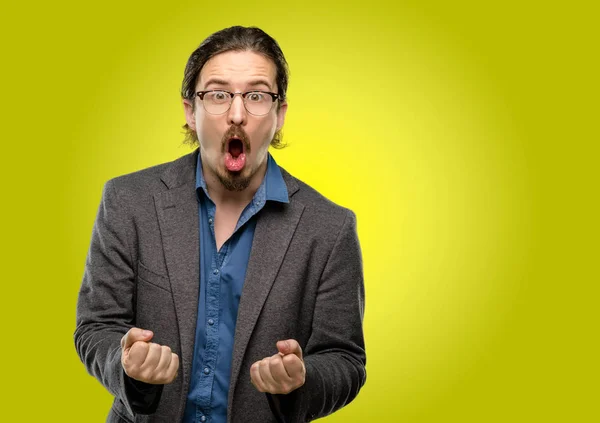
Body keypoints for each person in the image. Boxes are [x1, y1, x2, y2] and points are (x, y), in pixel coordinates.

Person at [75, 26, 366, 423]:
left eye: (257, 95)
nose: (236, 114)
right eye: (217, 94)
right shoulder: (128, 201)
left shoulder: (331, 228)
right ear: (189, 113)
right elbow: (96, 327)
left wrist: (302, 379)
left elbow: (346, 360)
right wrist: (128, 365)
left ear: (279, 115)